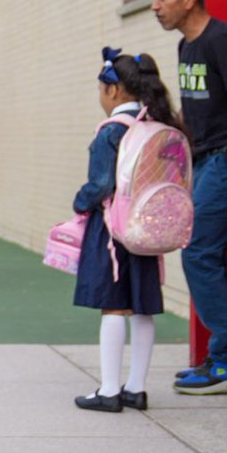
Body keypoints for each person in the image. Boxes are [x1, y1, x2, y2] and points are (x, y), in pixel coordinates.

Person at [152, 0, 227, 394]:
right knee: (205, 253)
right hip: (205, 162)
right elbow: (195, 111)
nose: (156, 6)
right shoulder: (187, 46)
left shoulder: (223, 39)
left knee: (199, 252)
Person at [71, 48, 181, 412]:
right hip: (148, 229)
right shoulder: (158, 126)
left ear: (114, 91)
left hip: (112, 231)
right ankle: (136, 388)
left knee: (113, 308)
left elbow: (100, 184)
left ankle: (109, 390)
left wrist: (79, 202)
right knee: (143, 308)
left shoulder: (112, 131)